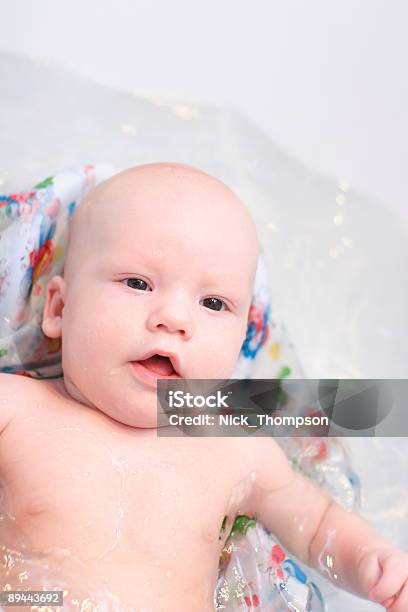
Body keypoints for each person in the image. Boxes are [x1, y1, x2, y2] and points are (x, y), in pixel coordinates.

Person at [0, 162, 407, 611]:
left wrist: (371, 560)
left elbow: (316, 527)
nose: (174, 319)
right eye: (137, 282)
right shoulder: (17, 411)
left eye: (213, 303)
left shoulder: (232, 446)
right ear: (59, 307)